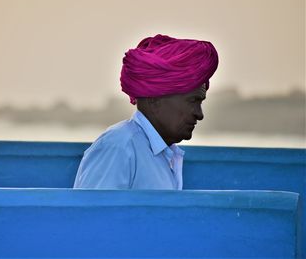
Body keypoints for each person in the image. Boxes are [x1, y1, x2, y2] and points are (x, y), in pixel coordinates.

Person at [74, 34, 218, 189]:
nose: (199, 114)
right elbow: (92, 212)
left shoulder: (165, 154)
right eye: (193, 101)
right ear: (154, 100)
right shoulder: (119, 147)